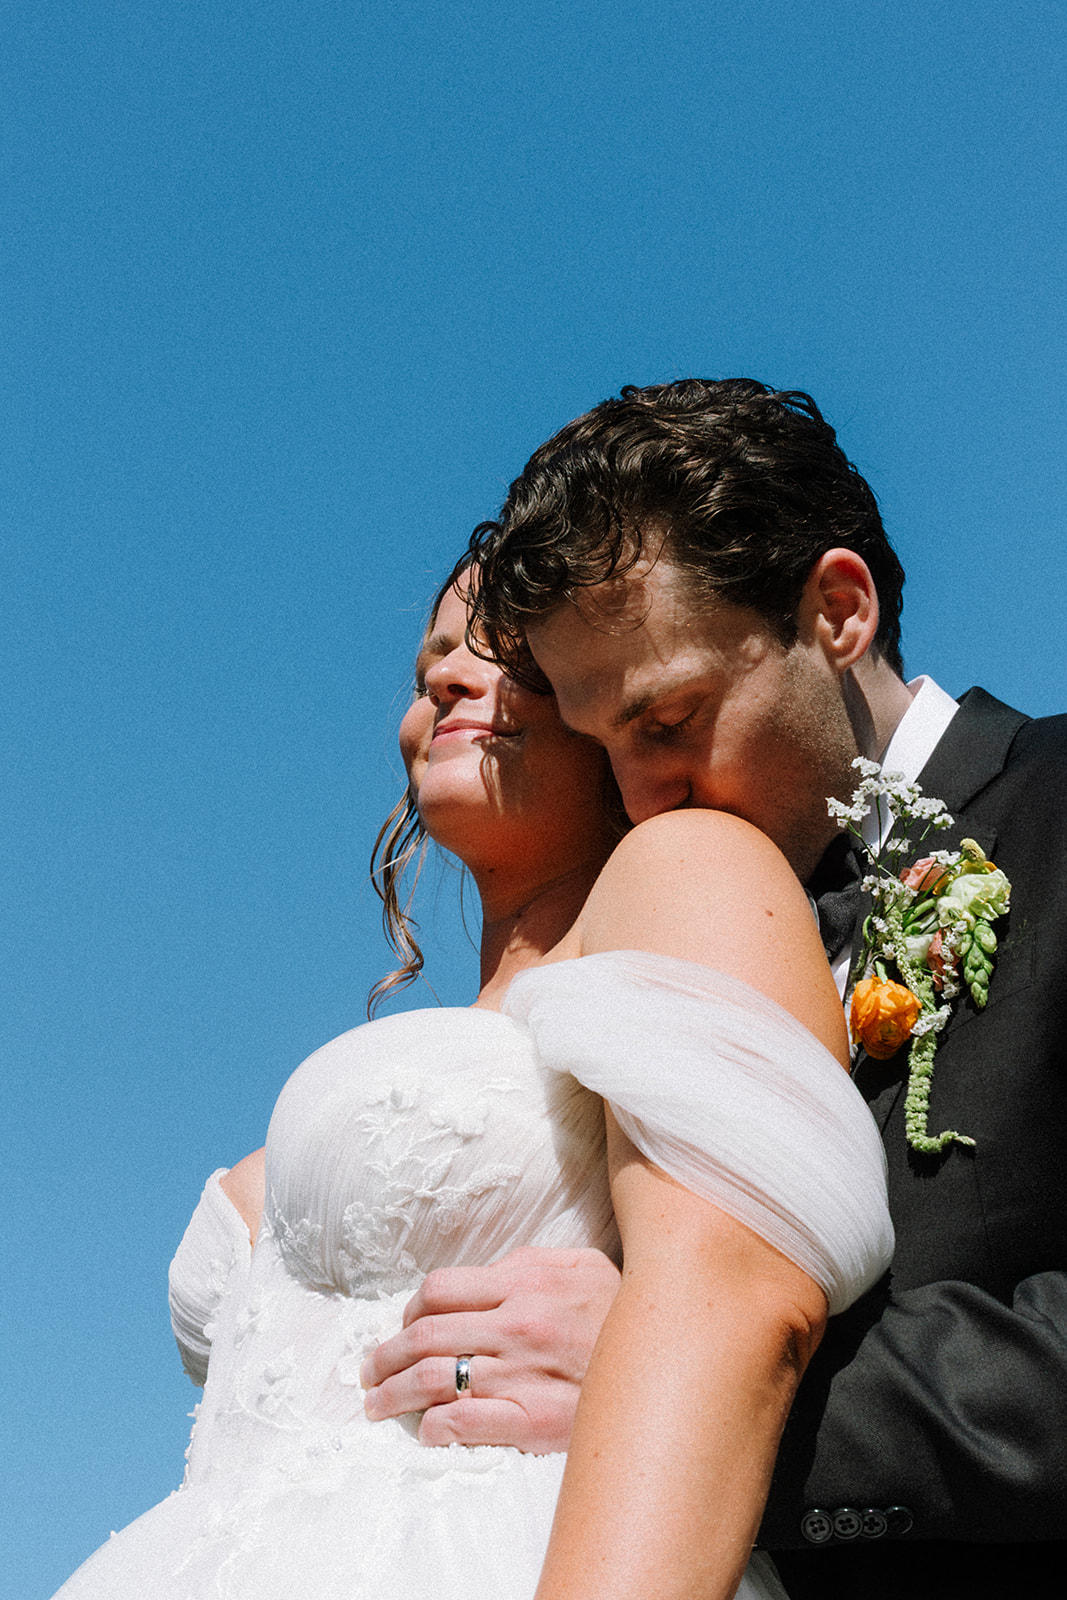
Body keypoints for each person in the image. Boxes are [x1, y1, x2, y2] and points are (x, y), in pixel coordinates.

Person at [52, 564, 892, 1600]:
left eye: (508, 655)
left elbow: (739, 1296)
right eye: (432, 663)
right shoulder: (443, 1041)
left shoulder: (689, 866)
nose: (449, 678)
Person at [359, 379, 1067, 1600]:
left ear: (836, 611)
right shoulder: (663, 950)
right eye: (602, 748)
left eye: (668, 720)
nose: (643, 799)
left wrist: (685, 1376)